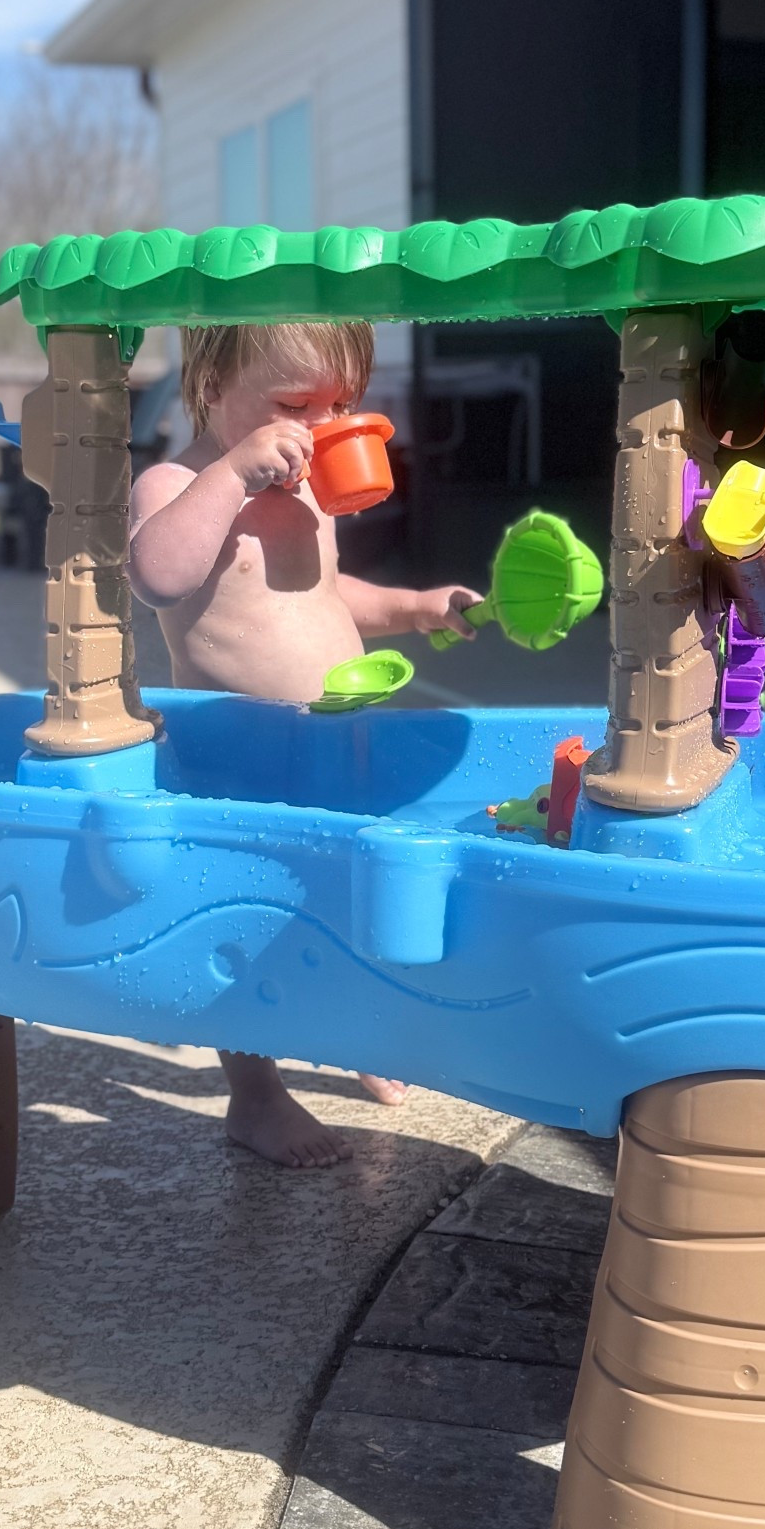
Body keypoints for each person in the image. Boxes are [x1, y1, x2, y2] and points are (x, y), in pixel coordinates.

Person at [128, 320, 481, 1170]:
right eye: (295, 405)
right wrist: (231, 474)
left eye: (340, 404)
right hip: (237, 761)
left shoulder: (311, 493)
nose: (320, 425)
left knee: (353, 897)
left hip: (335, 748)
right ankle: (255, 1094)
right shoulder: (177, 484)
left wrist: (413, 608)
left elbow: (325, 593)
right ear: (212, 388)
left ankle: (355, 1031)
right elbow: (157, 575)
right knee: (246, 919)